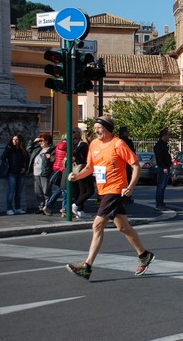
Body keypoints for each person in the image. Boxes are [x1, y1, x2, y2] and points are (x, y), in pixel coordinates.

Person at [65, 115, 154, 280]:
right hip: (103, 190)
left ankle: (87, 266)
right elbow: (90, 167)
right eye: (95, 128)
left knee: (97, 225)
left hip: (116, 189)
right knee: (122, 226)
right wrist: (77, 176)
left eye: (99, 127)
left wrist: (131, 186)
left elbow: (135, 165)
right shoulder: (94, 144)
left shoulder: (118, 144)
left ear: (107, 128)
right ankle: (144, 255)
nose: (96, 130)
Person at [1, 134, 28, 215]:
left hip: (21, 173)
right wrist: (8, 148)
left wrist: (25, 168)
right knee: (11, 192)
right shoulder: (10, 149)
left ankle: (17, 208)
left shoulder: (22, 150)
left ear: (20, 140)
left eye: (16, 139)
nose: (15, 141)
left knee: (19, 192)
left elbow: (27, 160)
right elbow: (3, 158)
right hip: (11, 173)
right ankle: (9, 208)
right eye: (13, 139)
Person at [27, 133, 55, 213]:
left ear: (47, 141)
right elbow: (28, 149)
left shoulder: (51, 149)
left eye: (42, 141)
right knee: (38, 192)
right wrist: (33, 141)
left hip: (45, 173)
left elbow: (55, 159)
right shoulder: (37, 149)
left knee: (46, 191)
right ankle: (41, 207)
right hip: (36, 173)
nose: (40, 142)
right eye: (40, 141)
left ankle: (47, 207)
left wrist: (50, 157)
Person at [71, 128, 94, 219]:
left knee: (82, 191)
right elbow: (75, 153)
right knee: (90, 191)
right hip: (84, 168)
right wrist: (75, 157)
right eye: (91, 136)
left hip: (80, 169)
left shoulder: (78, 144)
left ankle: (80, 210)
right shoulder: (84, 145)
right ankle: (76, 205)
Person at [43, 135, 67, 216]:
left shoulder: (58, 145)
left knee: (60, 189)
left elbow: (54, 156)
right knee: (65, 190)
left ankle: (49, 205)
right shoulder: (69, 146)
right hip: (64, 169)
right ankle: (64, 209)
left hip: (57, 168)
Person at [153, 129, 171, 211]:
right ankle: (159, 204)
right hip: (163, 168)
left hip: (165, 167)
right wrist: (164, 167)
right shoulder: (159, 146)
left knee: (162, 186)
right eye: (168, 135)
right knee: (161, 186)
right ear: (164, 136)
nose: (168, 137)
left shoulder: (163, 145)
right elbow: (160, 158)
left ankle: (161, 203)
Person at [119, 126, 136, 203]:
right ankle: (126, 196)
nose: (128, 133)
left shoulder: (117, 140)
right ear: (124, 132)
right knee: (127, 180)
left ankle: (120, 195)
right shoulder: (128, 141)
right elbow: (132, 153)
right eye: (127, 131)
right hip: (126, 163)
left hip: (119, 164)